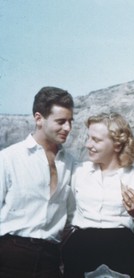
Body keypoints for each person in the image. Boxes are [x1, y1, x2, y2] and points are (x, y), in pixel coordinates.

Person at [61, 112, 134, 278]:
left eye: (96, 140)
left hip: (120, 254)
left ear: (117, 145)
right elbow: (67, 216)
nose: (87, 144)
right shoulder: (77, 172)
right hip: (79, 252)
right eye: (88, 138)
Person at [0, 86, 75, 277]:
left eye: (70, 121)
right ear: (38, 118)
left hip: (50, 260)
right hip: (10, 255)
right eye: (61, 121)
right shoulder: (8, 158)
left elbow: (72, 215)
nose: (68, 128)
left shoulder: (71, 163)